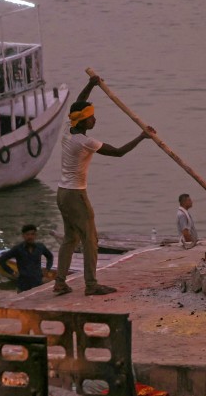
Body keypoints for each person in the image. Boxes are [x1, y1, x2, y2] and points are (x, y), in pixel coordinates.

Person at [54, 74, 153, 297]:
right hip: (76, 195)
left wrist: (90, 85)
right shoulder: (85, 142)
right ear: (83, 121)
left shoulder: (67, 132)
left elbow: (78, 103)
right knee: (91, 239)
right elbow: (118, 152)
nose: (95, 121)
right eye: (92, 118)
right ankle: (91, 284)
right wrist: (142, 136)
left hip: (62, 193)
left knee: (70, 238)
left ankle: (60, 283)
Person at [0, 224, 54, 292]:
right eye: (27, 234)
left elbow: (50, 257)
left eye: (32, 234)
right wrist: (12, 272)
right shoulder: (18, 249)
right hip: (23, 284)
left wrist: (47, 269)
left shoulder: (40, 247)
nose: (30, 237)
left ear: (35, 235)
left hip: (38, 282)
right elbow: (1, 260)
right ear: (23, 235)